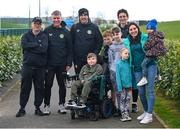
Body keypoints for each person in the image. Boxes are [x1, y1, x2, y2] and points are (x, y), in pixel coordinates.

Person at [124, 22, 157, 124]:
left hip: (150, 65)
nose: (133, 31)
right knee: (141, 92)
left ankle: (149, 115)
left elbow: (157, 42)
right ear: (128, 31)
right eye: (131, 29)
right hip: (137, 68)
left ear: (138, 28)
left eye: (135, 28)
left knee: (150, 90)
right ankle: (146, 111)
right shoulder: (126, 41)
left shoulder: (145, 37)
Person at [16, 17, 48, 117]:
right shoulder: (26, 35)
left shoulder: (44, 36)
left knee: (39, 88)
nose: (37, 25)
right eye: (35, 23)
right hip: (27, 67)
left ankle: (37, 108)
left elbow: (44, 49)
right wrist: (37, 44)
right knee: (25, 88)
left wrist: (31, 47)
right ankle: (22, 108)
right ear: (32, 24)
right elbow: (24, 46)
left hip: (40, 68)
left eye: (39, 24)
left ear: (41, 25)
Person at [43, 10, 72, 115]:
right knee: (48, 85)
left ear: (61, 18)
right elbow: (44, 49)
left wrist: (69, 63)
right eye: (54, 18)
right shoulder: (46, 31)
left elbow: (70, 49)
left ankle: (62, 104)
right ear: (52, 19)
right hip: (49, 65)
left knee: (62, 85)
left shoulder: (66, 32)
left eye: (58, 18)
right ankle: (46, 105)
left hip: (62, 64)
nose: (56, 20)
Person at [70, 8, 103, 74]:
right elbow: (71, 43)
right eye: (81, 15)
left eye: (85, 15)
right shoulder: (74, 27)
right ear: (79, 17)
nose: (83, 17)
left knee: (91, 80)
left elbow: (100, 41)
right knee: (80, 79)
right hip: (78, 60)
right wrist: (73, 58)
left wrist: (94, 55)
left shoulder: (94, 27)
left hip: (91, 60)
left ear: (88, 16)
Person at [137, 19, 167, 86]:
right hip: (156, 53)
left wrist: (145, 46)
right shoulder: (158, 35)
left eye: (150, 29)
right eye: (147, 29)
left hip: (152, 53)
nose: (148, 30)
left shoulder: (153, 36)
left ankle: (144, 78)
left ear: (154, 29)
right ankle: (158, 75)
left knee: (143, 64)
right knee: (155, 63)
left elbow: (148, 45)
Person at [108, 27, 125, 116]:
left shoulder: (125, 44)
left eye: (117, 34)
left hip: (123, 71)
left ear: (121, 34)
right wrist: (112, 71)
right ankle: (118, 108)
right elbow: (110, 61)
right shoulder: (111, 47)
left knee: (124, 90)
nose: (116, 36)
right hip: (114, 71)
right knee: (117, 90)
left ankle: (124, 108)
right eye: (114, 34)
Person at [116, 48, 132, 122]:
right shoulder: (118, 64)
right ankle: (123, 113)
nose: (127, 55)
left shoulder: (129, 63)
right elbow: (118, 76)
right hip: (122, 86)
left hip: (129, 85)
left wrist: (131, 84)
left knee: (128, 99)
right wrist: (119, 86)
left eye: (128, 54)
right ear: (121, 54)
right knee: (122, 99)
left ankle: (126, 112)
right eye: (125, 53)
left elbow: (130, 75)